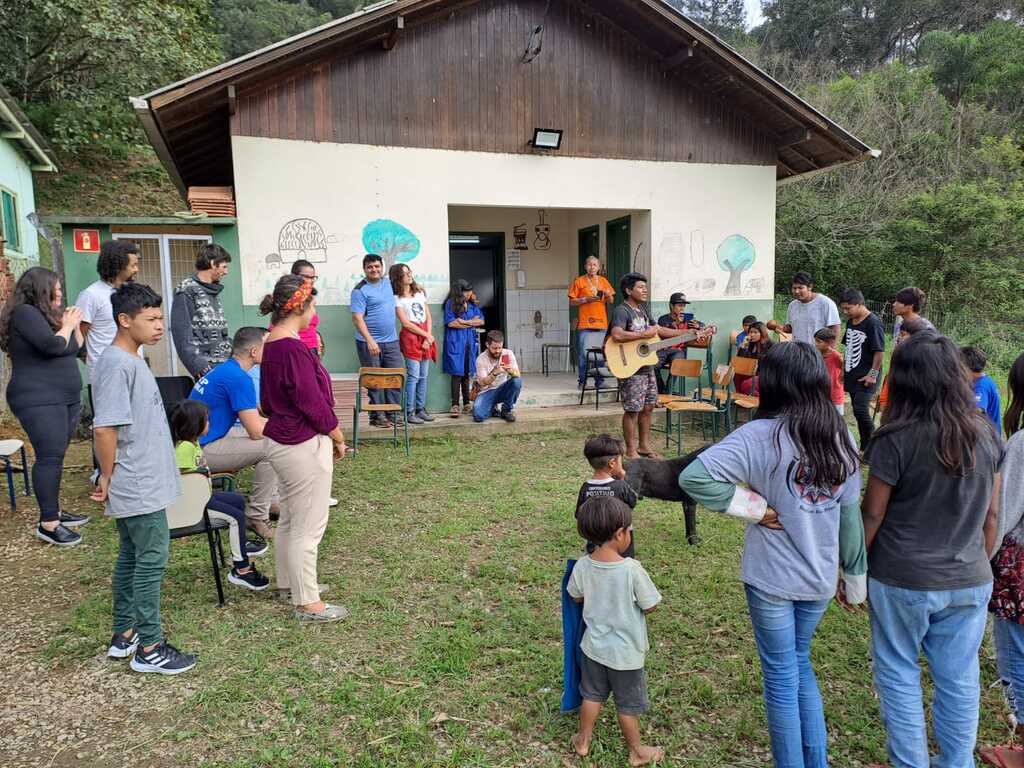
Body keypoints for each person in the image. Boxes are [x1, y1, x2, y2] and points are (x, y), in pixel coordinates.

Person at [680, 341, 866, 767]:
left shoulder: (757, 435)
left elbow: (694, 477)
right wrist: (855, 577)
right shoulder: (843, 436)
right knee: (800, 665)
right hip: (819, 578)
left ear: (773, 384)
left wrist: (755, 509)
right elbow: (850, 516)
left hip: (771, 581)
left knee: (782, 677)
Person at [862, 333, 1003, 768]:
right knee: (959, 679)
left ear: (904, 381)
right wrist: (976, 561)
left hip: (900, 577)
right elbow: (992, 517)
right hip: (970, 577)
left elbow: (872, 516)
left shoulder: (895, 437)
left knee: (899, 673)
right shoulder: (987, 434)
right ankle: (956, 762)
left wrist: (847, 572)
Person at [92, 282, 196, 674]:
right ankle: (150, 647)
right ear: (124, 320)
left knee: (132, 556)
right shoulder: (117, 364)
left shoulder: (132, 360)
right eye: (150, 319)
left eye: (159, 318)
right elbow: (105, 429)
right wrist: (107, 474)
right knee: (150, 560)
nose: (158, 327)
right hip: (137, 482)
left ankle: (125, 634)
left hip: (144, 476)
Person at [259, 274, 348, 622]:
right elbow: (312, 402)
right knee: (308, 524)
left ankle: (290, 584)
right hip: (301, 442)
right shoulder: (292, 349)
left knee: (292, 518)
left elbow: (267, 402)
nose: (316, 313)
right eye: (313, 305)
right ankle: (308, 601)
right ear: (301, 307)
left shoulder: (273, 345)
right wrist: (337, 436)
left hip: (281, 439)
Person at [567, 496, 663, 767]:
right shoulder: (632, 569)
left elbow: (575, 596)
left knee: (592, 695)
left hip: (594, 649)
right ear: (620, 534)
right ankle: (637, 750)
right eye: (630, 530)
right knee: (627, 706)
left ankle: (582, 740)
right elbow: (651, 604)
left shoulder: (583, 565)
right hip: (627, 655)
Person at [0, 267, 88, 546]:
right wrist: (68, 325)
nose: (60, 293)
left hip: (64, 397)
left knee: (57, 456)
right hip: (38, 398)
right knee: (49, 457)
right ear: (39, 289)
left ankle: (56, 511)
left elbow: (73, 349)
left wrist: (76, 327)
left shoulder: (47, 318)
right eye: (56, 289)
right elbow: (51, 346)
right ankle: (48, 523)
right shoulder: (25, 313)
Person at [189, 327, 278, 543]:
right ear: (254, 352)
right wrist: (287, 427)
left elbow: (255, 410)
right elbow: (256, 432)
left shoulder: (226, 370)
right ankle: (257, 515)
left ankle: (273, 500)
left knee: (276, 436)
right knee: (273, 446)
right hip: (200, 450)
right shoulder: (239, 378)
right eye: (269, 346)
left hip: (200, 441)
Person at [169, 399, 270, 590]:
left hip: (204, 497)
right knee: (236, 516)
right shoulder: (184, 448)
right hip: (195, 503)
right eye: (206, 420)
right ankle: (242, 569)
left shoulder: (193, 444)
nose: (209, 424)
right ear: (194, 424)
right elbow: (179, 478)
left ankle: (239, 544)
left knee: (238, 500)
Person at [983, 352, 1024, 768]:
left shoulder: (1022, 444)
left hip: (1021, 568)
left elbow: (1003, 511)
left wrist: (982, 562)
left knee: (1016, 652)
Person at [608, 272, 693, 459]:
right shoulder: (622, 311)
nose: (645, 290)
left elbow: (659, 330)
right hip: (630, 367)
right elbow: (617, 334)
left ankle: (644, 446)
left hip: (646, 366)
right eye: (640, 287)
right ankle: (631, 450)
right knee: (632, 410)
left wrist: (688, 333)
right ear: (628, 290)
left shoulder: (643, 310)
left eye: (645, 287)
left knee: (648, 407)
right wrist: (643, 335)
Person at [75, 239, 140, 379]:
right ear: (118, 266)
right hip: (105, 375)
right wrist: (95, 363)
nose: (136, 269)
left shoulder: (131, 293)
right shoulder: (91, 295)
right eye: (133, 265)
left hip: (133, 370)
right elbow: (79, 336)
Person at [351, 253, 402, 428]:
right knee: (375, 381)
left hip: (391, 341)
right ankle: (378, 416)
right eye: (370, 267)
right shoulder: (360, 290)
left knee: (395, 377)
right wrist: (370, 340)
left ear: (382, 267)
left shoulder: (389, 283)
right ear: (364, 269)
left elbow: (408, 285)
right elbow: (357, 318)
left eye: (377, 266)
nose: (374, 269)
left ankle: (393, 413)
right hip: (369, 343)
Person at [171, 243, 233, 378]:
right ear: (212, 264)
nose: (226, 272)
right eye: (224, 266)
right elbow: (182, 335)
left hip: (223, 366)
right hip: (207, 370)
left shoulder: (212, 291)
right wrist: (199, 366)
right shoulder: (186, 290)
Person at [577, 434, 638, 557]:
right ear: (612, 463)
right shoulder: (620, 486)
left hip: (594, 541)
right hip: (620, 541)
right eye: (621, 459)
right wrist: (621, 478)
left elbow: (579, 515)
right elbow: (633, 501)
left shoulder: (585, 488)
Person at [389, 263, 436, 425]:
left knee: (424, 376)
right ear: (398, 277)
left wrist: (428, 337)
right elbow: (406, 323)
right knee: (414, 376)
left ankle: (420, 409)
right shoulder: (396, 298)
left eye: (409, 272)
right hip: (411, 338)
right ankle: (409, 411)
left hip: (425, 335)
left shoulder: (419, 293)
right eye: (405, 273)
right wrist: (426, 336)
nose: (409, 275)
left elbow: (428, 316)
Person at [839, 288, 885, 450]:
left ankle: (872, 448)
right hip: (853, 373)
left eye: (848, 308)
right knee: (858, 413)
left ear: (860, 304)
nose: (845, 312)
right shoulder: (851, 321)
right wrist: (844, 370)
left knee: (860, 409)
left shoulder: (873, 322)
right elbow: (849, 346)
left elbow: (879, 351)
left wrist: (872, 374)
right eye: (843, 308)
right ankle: (864, 447)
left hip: (868, 375)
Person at [568, 256, 614, 390]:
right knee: (584, 354)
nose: (592, 267)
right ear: (585, 266)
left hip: (601, 324)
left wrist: (607, 293)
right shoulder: (579, 281)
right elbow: (572, 302)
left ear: (598, 267)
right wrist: (585, 299)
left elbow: (611, 300)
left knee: (600, 353)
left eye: (595, 265)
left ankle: (599, 382)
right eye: (589, 265)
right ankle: (582, 383)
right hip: (585, 324)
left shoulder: (604, 281)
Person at [442, 279, 484, 418]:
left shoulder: (472, 305)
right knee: (457, 374)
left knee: (467, 372)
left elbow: (481, 321)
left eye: (470, 291)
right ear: (459, 292)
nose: (469, 293)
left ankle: (466, 404)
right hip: (456, 343)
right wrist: (471, 323)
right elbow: (452, 323)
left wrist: (465, 322)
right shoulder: (451, 304)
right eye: (466, 291)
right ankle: (455, 405)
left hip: (469, 343)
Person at [775, 271, 841, 345]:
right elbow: (791, 328)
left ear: (810, 287)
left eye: (800, 288)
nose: (797, 291)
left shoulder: (825, 303)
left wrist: (831, 350)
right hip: (798, 350)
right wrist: (781, 328)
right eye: (794, 288)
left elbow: (835, 328)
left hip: (818, 351)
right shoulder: (792, 305)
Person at [655, 292, 700, 394]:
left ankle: (668, 391)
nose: (682, 308)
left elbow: (702, 326)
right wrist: (676, 323)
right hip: (663, 349)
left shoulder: (688, 320)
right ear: (671, 306)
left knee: (677, 364)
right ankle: (661, 389)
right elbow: (663, 334)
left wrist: (698, 326)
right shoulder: (663, 319)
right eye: (679, 305)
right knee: (653, 364)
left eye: (683, 306)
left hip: (678, 351)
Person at [473, 330, 522, 423]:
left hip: (502, 389)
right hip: (487, 391)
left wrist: (510, 371)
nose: (498, 351)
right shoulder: (481, 359)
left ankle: (506, 410)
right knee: (478, 416)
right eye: (494, 348)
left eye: (500, 347)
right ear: (487, 345)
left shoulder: (508, 353)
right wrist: (495, 373)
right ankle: (492, 408)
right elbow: (483, 382)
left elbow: (518, 375)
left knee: (517, 381)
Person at [961, 346, 1002, 431]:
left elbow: (977, 412)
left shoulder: (981, 387)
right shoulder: (986, 381)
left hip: (987, 439)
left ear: (966, 368)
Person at [289, 259, 321, 355]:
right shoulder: (290, 296)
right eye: (306, 277)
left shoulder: (309, 296)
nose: (310, 281)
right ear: (294, 276)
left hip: (311, 347)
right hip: (297, 349)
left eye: (313, 277)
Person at [734, 321, 772, 396]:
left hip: (766, 375)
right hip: (754, 373)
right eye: (750, 332)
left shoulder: (769, 345)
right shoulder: (751, 344)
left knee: (747, 385)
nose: (752, 335)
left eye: (755, 332)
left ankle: (764, 401)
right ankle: (740, 398)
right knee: (737, 376)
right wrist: (744, 346)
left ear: (762, 333)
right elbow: (742, 361)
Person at [813, 328, 845, 414]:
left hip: (835, 394)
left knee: (836, 420)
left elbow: (845, 368)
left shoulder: (836, 357)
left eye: (819, 342)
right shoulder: (816, 354)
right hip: (820, 394)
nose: (816, 344)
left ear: (829, 343)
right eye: (815, 341)